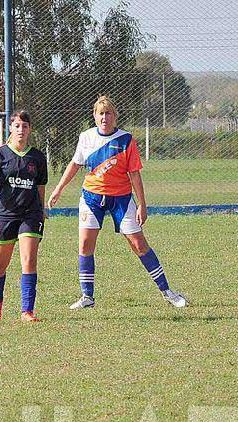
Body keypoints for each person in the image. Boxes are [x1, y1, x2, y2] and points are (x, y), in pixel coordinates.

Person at [47, 95, 187, 309]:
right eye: (101, 113)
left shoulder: (126, 140)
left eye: (108, 113)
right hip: (91, 198)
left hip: (121, 199)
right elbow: (75, 165)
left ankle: (167, 291)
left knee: (139, 244)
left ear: (115, 116)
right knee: (85, 244)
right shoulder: (86, 137)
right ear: (94, 116)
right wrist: (58, 189)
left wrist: (142, 203)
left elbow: (135, 174)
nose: (105, 117)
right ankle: (87, 297)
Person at [0, 110, 48, 322]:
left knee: (29, 260)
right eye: (17, 126)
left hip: (30, 214)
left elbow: (40, 186)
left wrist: (41, 210)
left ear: (29, 130)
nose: (21, 130)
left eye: (24, 126)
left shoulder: (37, 157)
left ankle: (27, 311)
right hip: (4, 215)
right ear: (10, 128)